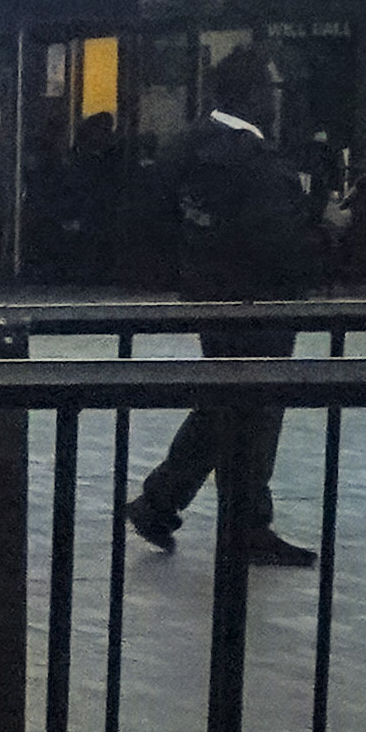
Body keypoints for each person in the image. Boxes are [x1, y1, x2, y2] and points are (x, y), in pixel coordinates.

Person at [123, 46, 322, 565]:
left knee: (227, 403)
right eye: (273, 88)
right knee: (251, 409)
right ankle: (240, 524)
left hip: (211, 292)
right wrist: (327, 226)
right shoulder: (245, 156)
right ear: (254, 93)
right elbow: (276, 238)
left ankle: (164, 503)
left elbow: (157, 214)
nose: (278, 100)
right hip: (258, 299)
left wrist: (191, 264)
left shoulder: (190, 143)